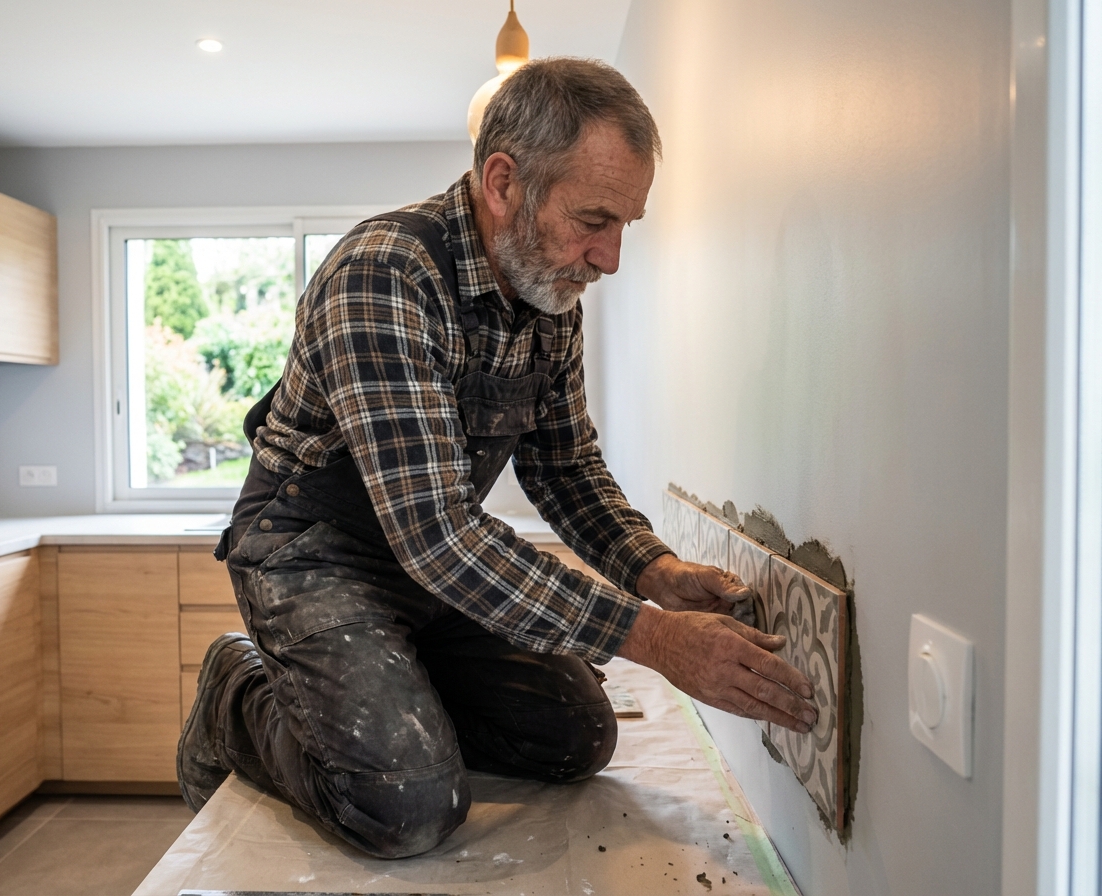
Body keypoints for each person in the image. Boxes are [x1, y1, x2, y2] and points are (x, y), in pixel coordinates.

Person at [178, 57, 816, 859]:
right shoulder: (384, 275)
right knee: (406, 807)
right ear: (504, 183)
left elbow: (565, 466)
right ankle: (235, 692)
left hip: (424, 568)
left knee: (577, 738)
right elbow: (438, 535)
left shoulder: (548, 293)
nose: (610, 257)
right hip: (314, 559)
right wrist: (656, 641)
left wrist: (653, 571)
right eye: (593, 220)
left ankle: (389, 683)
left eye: (625, 225)